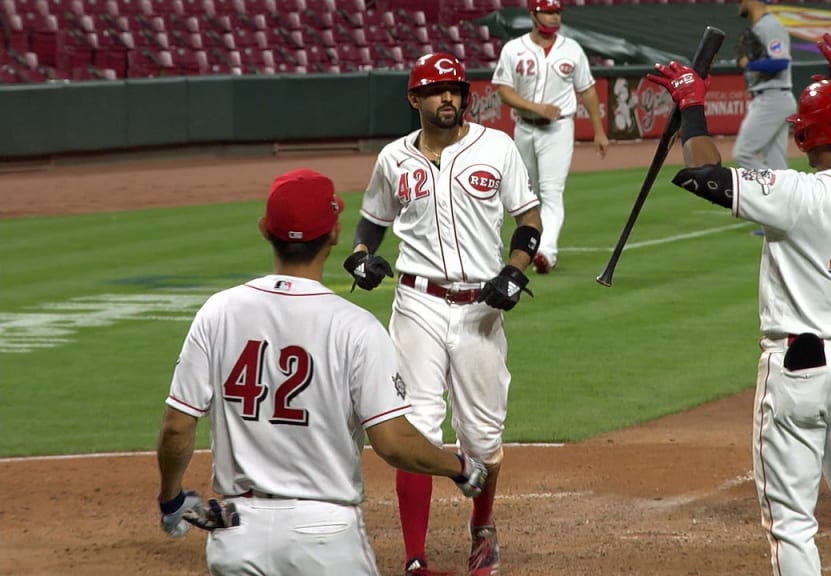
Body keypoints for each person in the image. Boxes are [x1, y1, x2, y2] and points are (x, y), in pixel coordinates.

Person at [646, 31, 831, 576]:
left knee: (793, 525)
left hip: (797, 370)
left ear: (802, 137)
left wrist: (692, 104)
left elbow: (705, 176)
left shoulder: (795, 194)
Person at [155, 168, 488, 576]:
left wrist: (171, 499)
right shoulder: (356, 327)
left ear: (265, 230)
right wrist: (458, 467)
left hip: (236, 532)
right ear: (333, 235)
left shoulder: (218, 313)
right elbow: (394, 443)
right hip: (326, 536)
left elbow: (176, 426)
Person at [343, 53, 542, 576]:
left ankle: (483, 525)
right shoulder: (393, 159)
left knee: (482, 436)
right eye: (435, 90)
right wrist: (362, 259)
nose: (448, 97)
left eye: (455, 88)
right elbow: (371, 223)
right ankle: (414, 558)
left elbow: (528, 220)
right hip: (416, 305)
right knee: (416, 429)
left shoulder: (496, 147)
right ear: (415, 100)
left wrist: (515, 269)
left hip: (481, 307)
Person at [491, 0, 610, 274]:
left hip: (558, 129)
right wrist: (535, 107)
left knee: (551, 193)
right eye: (549, 12)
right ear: (533, 14)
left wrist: (599, 130)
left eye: (557, 12)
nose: (555, 17)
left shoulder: (572, 49)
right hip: (524, 127)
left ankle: (546, 251)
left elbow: (588, 90)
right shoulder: (514, 49)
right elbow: (504, 91)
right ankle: (525, 247)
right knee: (524, 194)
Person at [734, 0, 797, 170]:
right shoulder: (760, 27)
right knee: (776, 163)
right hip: (772, 97)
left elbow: (781, 62)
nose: (738, 3)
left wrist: (749, 64)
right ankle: (785, 194)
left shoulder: (770, 26)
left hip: (772, 98)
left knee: (743, 154)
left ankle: (771, 187)